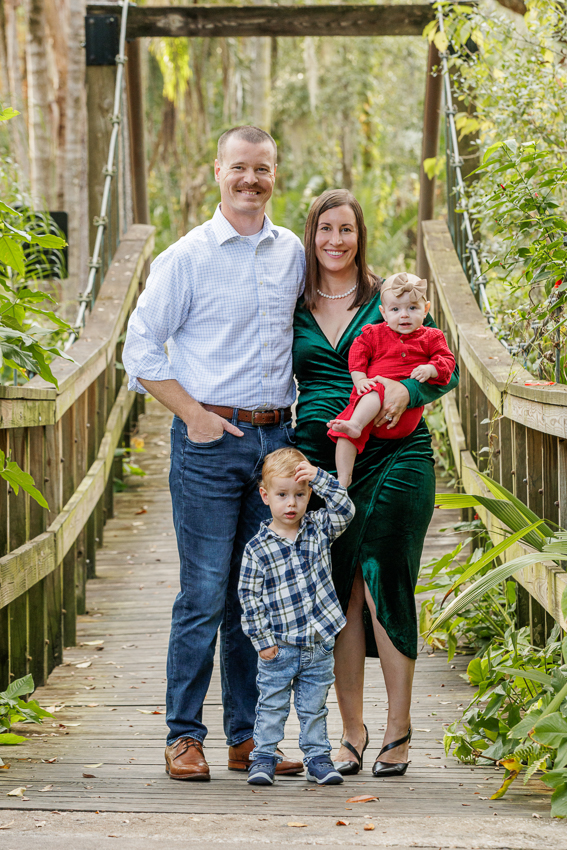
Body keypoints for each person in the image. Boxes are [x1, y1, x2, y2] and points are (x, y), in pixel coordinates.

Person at [122, 126, 305, 781]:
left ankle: (246, 739)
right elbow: (138, 350)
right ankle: (182, 737)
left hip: (275, 445)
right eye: (239, 168)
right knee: (202, 594)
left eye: (262, 168)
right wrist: (192, 415)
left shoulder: (294, 254)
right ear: (217, 172)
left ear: (274, 173)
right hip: (208, 442)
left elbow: (338, 315)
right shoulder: (186, 257)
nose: (250, 179)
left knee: (253, 600)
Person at [292, 189, 459, 777]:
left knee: (385, 578)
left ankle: (399, 730)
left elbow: (444, 366)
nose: (335, 241)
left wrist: (407, 392)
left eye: (346, 230)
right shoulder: (292, 301)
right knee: (341, 592)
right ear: (310, 235)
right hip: (324, 465)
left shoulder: (393, 298)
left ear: (360, 235)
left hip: (398, 456)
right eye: (324, 230)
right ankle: (352, 732)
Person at [238, 448, 354, 786]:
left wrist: (320, 478)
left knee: (314, 707)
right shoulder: (258, 549)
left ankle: (317, 758)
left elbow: (346, 510)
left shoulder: (318, 529)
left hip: (318, 644)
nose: (292, 504)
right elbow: (250, 596)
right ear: (265, 496)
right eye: (283, 495)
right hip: (279, 646)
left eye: (300, 495)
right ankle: (263, 758)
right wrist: (262, 641)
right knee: (272, 707)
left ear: (309, 496)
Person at [327, 272, 456, 487]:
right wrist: (359, 379)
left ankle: (356, 426)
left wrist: (431, 368)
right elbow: (358, 352)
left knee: (376, 391)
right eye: (395, 310)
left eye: (412, 308)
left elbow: (448, 361)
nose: (404, 315)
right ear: (384, 313)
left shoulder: (431, 337)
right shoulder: (374, 334)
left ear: (426, 310)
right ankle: (343, 477)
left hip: (405, 416)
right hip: (368, 411)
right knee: (344, 431)